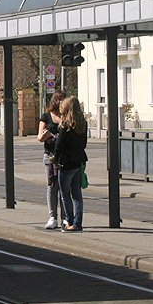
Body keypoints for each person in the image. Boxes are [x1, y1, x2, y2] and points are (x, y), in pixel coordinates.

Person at [53, 96, 88, 231]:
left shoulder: (65, 124)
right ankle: (78, 223)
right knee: (77, 195)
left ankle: (69, 222)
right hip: (78, 161)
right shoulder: (82, 124)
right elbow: (84, 144)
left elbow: (59, 145)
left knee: (65, 194)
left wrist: (55, 157)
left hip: (65, 163)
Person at [38, 90, 67, 229]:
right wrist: (48, 134)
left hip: (64, 155)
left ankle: (65, 217)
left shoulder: (67, 116)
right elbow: (40, 137)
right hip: (50, 155)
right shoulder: (46, 116)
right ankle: (52, 217)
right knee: (52, 186)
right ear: (56, 101)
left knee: (64, 187)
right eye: (62, 100)